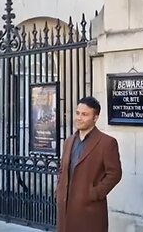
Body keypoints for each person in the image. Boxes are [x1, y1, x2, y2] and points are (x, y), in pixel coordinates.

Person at [55, 97, 122, 232]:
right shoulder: (69, 141)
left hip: (90, 210)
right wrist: (58, 190)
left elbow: (115, 174)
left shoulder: (107, 143)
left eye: (85, 114)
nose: (79, 118)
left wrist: (94, 194)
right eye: (78, 113)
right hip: (65, 209)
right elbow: (62, 169)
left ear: (95, 118)